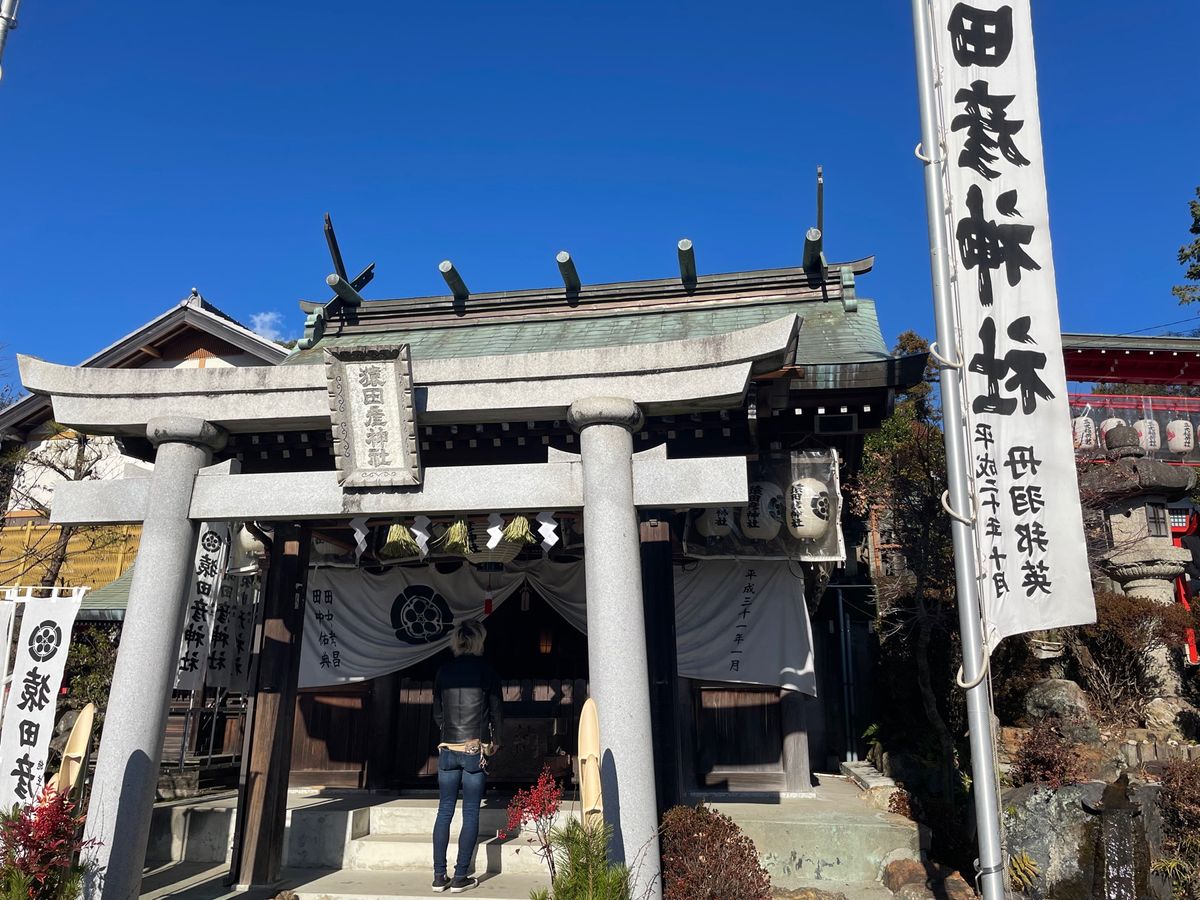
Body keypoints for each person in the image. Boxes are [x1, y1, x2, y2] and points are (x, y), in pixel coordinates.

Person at [430, 619, 503, 894]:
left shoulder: (443, 671)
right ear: (478, 641)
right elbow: (496, 710)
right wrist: (496, 742)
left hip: (447, 746)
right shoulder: (487, 672)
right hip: (475, 748)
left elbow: (437, 711)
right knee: (470, 811)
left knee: (444, 810)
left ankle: (439, 876)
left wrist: (446, 730)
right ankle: (461, 876)